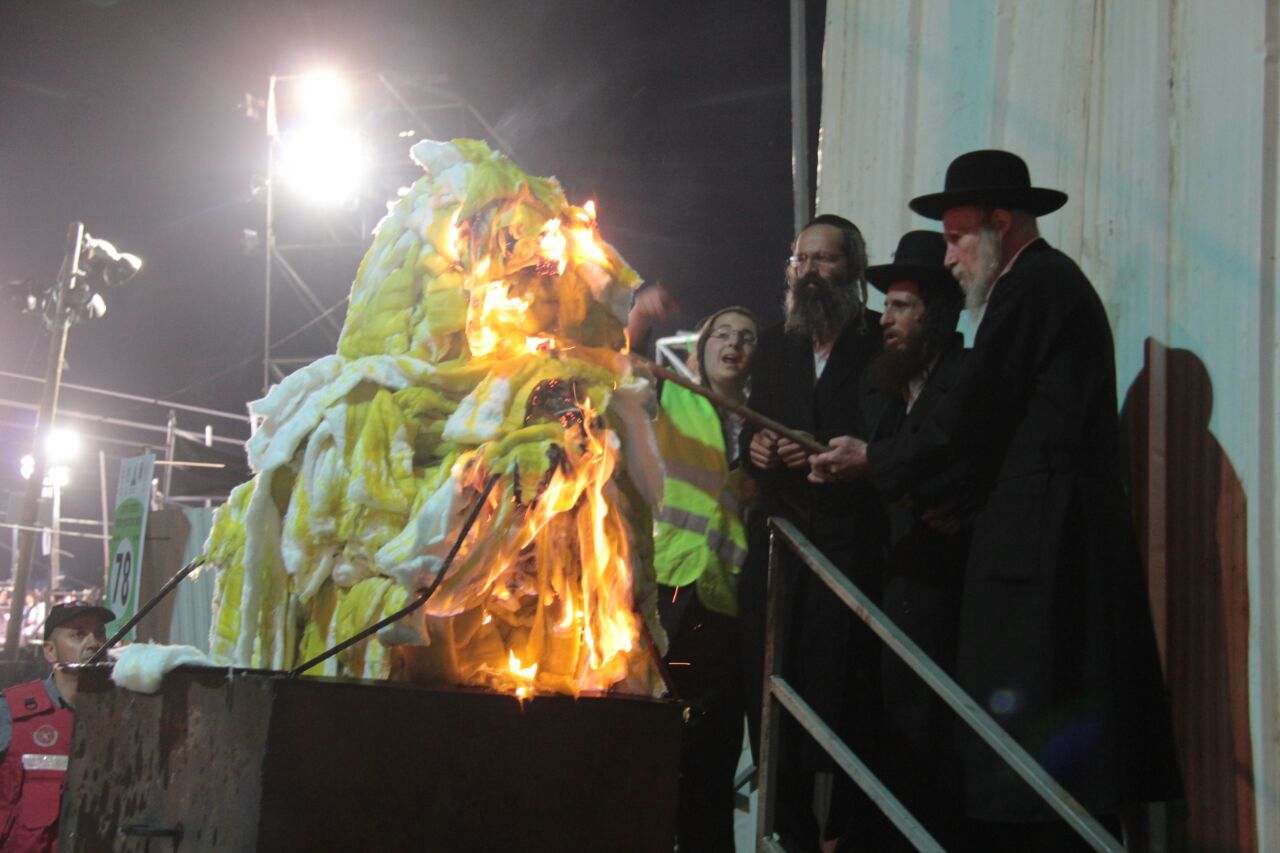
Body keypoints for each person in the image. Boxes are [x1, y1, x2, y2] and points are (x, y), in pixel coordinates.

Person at [811, 150, 1181, 849]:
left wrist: (876, 458)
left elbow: (973, 413)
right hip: (1040, 541)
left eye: (954, 237)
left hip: (1051, 550)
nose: (947, 258)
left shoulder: (1034, 285)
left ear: (1000, 223)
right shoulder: (1039, 288)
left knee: (1045, 746)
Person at [739, 214, 889, 850]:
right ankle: (789, 832)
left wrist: (831, 455)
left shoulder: (881, 340)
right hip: (780, 548)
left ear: (852, 270)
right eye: (800, 260)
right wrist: (762, 448)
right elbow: (753, 430)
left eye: (824, 260)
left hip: (849, 547)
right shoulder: (776, 345)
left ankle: (848, 837)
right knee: (769, 687)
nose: (809, 272)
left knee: (846, 691)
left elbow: (892, 438)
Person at [817, 230, 969, 848]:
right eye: (888, 305)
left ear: (937, 311)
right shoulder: (878, 385)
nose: (887, 319)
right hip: (881, 581)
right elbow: (865, 455)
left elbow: (958, 459)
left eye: (903, 306)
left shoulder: (966, 374)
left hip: (943, 587)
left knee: (930, 737)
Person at [652, 306, 758, 852]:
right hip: (668, 590)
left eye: (746, 338)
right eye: (722, 334)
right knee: (655, 748)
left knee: (712, 755)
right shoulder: (672, 396)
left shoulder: (764, 430)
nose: (733, 344)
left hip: (724, 603)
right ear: (701, 346)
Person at [0, 600, 114, 851]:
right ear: (50, 651)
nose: (94, 643)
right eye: (78, 634)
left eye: (100, 634)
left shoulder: (124, 716)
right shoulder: (10, 713)